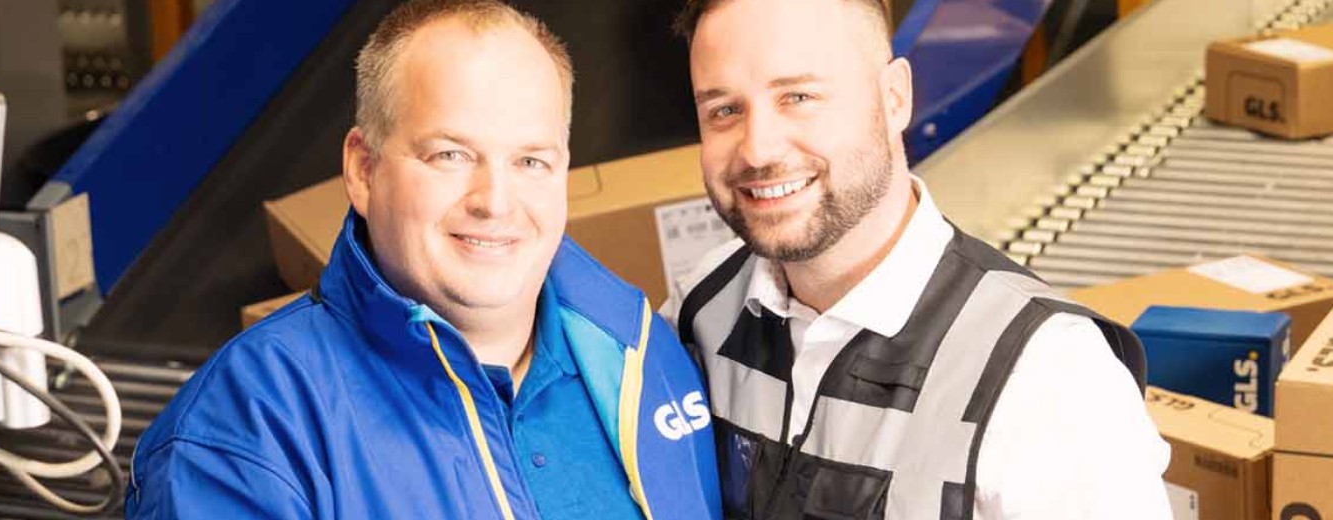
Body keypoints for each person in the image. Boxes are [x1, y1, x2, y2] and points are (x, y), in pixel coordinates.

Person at [126, 1, 722, 518]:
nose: (494, 201)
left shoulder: (642, 353)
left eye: (530, 161)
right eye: (450, 155)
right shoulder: (248, 431)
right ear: (363, 170)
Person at [665, 0, 1173, 518]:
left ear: (894, 98)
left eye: (798, 96)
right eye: (724, 111)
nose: (757, 150)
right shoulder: (702, 307)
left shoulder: (1048, 378)